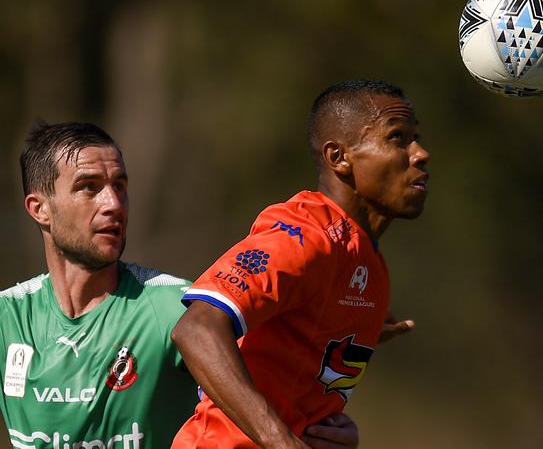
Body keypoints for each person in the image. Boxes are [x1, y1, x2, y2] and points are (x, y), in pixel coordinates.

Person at [0, 122, 361, 449]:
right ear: (39, 209)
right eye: (89, 187)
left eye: (120, 186)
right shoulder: (9, 318)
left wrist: (322, 426)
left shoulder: (179, 310)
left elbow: (278, 381)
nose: (113, 204)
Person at [171, 79, 430, 448]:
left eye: (416, 137)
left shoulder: (368, 261)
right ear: (339, 158)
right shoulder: (305, 235)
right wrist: (282, 442)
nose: (420, 153)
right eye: (398, 138)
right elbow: (196, 329)